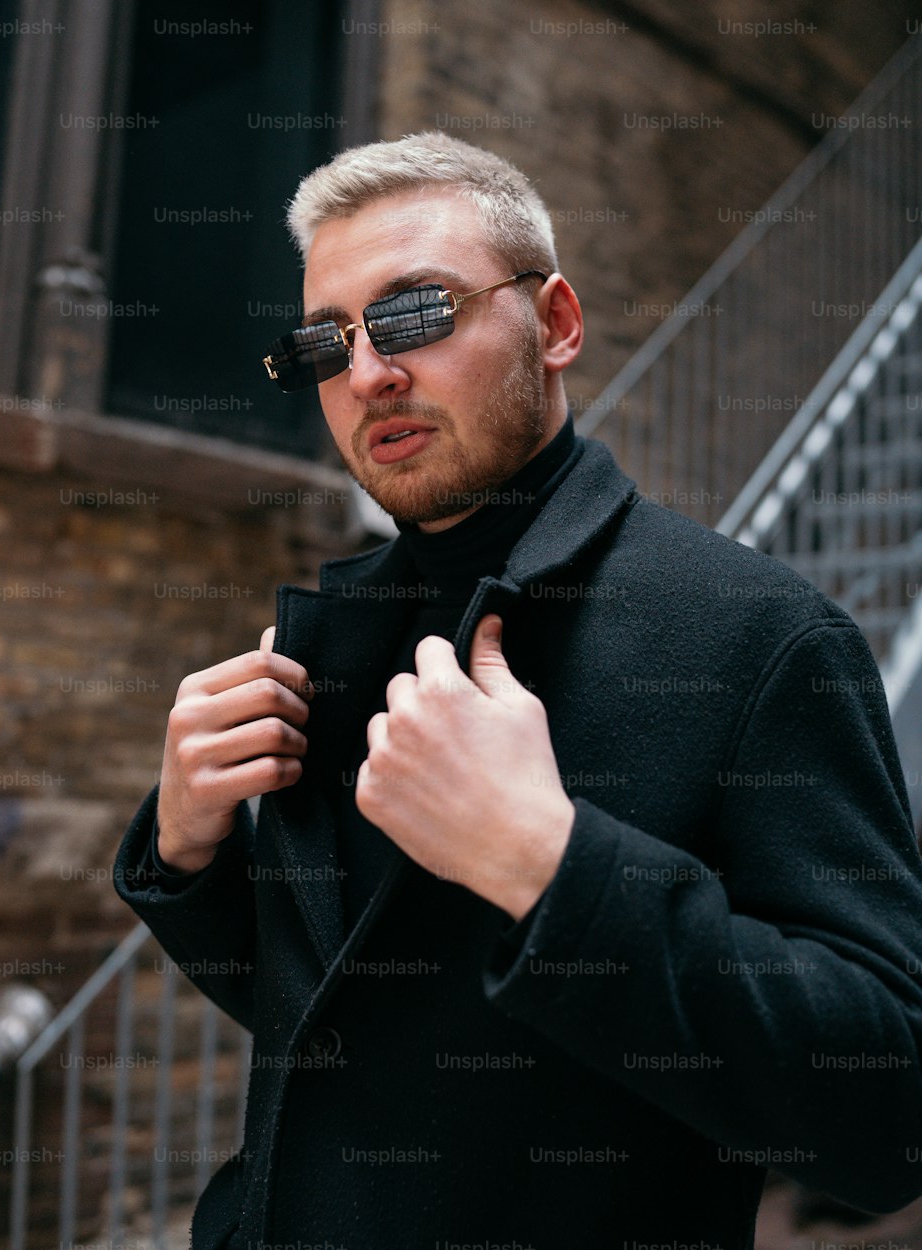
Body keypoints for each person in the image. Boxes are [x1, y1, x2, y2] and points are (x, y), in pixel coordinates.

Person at [115, 132, 922, 1249]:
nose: (366, 374)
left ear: (554, 324)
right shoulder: (338, 633)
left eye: (414, 315)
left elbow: (884, 1108)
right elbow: (357, 1034)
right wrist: (189, 851)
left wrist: (547, 861)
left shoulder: (760, 636)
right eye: (325, 341)